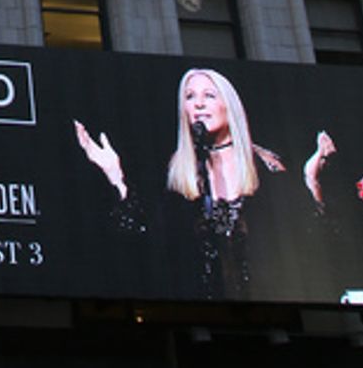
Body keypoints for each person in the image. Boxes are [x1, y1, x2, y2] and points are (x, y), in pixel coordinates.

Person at [74, 66, 336, 296]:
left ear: (229, 106)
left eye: (209, 95)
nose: (198, 104)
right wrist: (115, 176)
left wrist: (311, 181)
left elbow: (313, 242)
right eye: (190, 97)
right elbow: (143, 246)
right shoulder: (176, 174)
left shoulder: (265, 167)